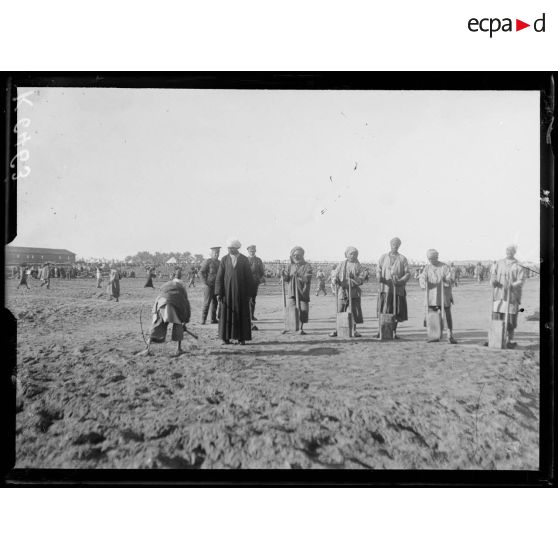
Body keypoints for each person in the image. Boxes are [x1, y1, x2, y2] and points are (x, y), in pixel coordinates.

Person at [140, 268, 191, 357]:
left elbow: (160, 296)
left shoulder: (167, 284)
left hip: (161, 304)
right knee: (178, 325)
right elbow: (185, 304)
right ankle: (178, 349)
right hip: (171, 304)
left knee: (157, 325)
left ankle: (147, 348)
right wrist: (185, 321)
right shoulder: (182, 286)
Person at [215, 239, 255, 345]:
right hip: (226, 294)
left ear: (236, 248)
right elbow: (219, 277)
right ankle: (225, 338)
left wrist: (250, 294)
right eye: (228, 248)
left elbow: (249, 278)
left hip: (241, 294)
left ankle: (241, 338)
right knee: (225, 315)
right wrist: (218, 292)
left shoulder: (244, 259)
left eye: (231, 248)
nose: (229, 250)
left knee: (242, 315)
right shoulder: (224, 259)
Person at [490, 245, 525, 349]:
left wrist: (512, 285)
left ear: (514, 252)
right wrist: (493, 280)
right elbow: (493, 274)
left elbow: (521, 280)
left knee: (510, 318)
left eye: (511, 251)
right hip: (498, 294)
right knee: (497, 316)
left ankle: (509, 339)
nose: (509, 252)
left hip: (512, 295)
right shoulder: (499, 263)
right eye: (507, 250)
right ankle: (497, 338)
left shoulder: (518, 265)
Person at [419, 249, 457, 344]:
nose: (431, 261)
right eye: (430, 259)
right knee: (432, 315)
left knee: (447, 314)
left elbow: (450, 278)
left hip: (443, 295)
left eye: (433, 258)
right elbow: (422, 278)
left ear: (437, 257)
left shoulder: (444, 267)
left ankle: (449, 334)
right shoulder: (427, 268)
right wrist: (424, 281)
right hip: (431, 296)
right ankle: (434, 335)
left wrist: (446, 279)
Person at [377, 237, 411, 338]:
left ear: (399, 246)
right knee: (384, 310)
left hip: (398, 290)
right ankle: (381, 331)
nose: (395, 246)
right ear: (390, 245)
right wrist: (379, 276)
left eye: (397, 244)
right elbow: (378, 269)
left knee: (397, 311)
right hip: (385, 289)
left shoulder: (402, 259)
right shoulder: (383, 257)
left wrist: (401, 281)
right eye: (393, 244)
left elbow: (407, 273)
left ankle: (394, 332)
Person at [329, 247, 364, 337]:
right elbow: (335, 274)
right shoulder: (342, 264)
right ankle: (337, 329)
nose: (353, 256)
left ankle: (354, 330)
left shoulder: (358, 266)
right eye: (351, 254)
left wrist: (354, 278)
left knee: (353, 311)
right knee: (340, 310)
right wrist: (335, 279)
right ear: (347, 254)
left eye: (355, 254)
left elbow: (361, 279)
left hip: (354, 291)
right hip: (342, 290)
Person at [282, 246, 313, 335]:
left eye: (298, 255)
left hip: (303, 292)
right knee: (290, 308)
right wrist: (283, 275)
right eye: (294, 255)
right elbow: (287, 278)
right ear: (292, 256)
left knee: (303, 310)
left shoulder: (307, 266)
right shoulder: (290, 266)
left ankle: (300, 327)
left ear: (302, 255)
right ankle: (288, 327)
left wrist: (299, 275)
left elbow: (307, 278)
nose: (296, 257)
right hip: (292, 291)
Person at [200, 247, 221, 325]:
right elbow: (201, 272)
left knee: (215, 303)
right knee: (206, 303)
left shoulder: (220, 262)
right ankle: (203, 319)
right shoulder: (208, 262)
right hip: (209, 286)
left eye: (217, 253)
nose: (216, 254)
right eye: (215, 253)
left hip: (217, 286)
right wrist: (205, 282)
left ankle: (213, 319)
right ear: (211, 254)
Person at [246, 245, 265, 329]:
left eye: (253, 251)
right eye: (251, 251)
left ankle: (252, 315)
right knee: (247, 300)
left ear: (255, 251)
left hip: (255, 282)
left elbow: (261, 271)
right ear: (248, 251)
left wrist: (261, 279)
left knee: (253, 299)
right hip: (246, 282)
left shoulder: (258, 260)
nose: (252, 252)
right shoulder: (245, 260)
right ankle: (247, 316)